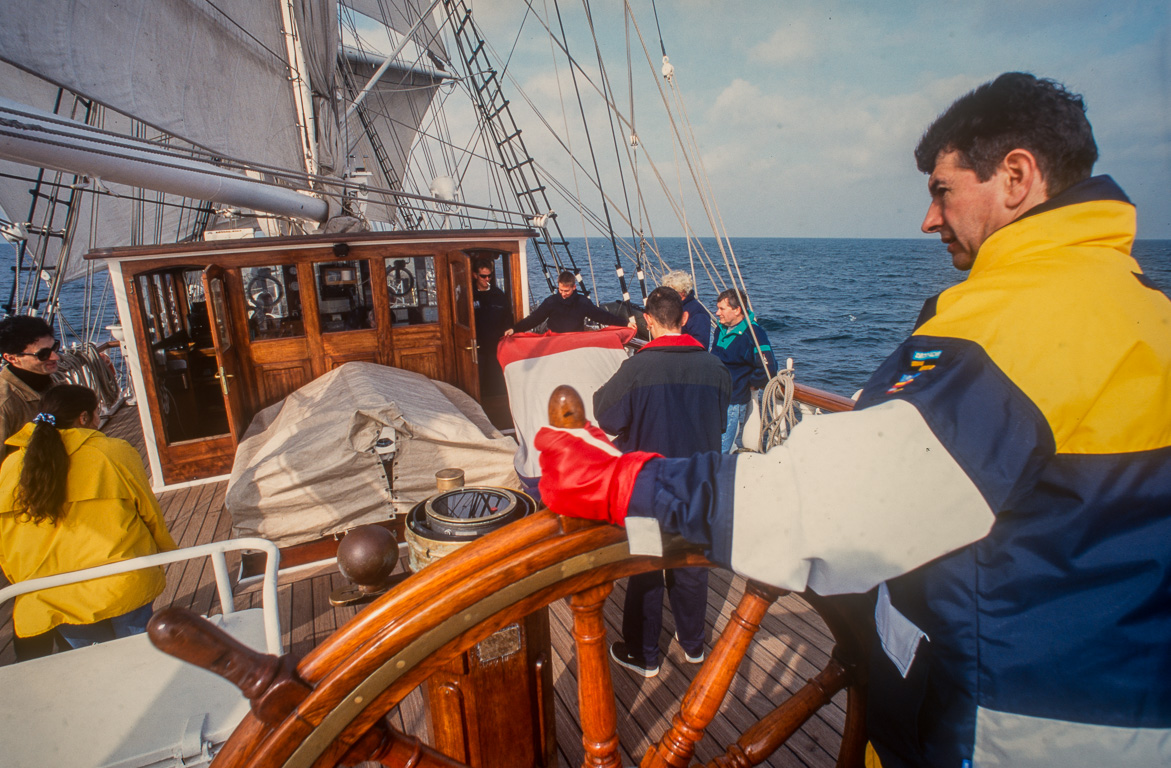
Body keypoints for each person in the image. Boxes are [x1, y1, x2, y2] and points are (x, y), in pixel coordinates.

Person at [535, 72, 1171, 768]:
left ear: (1015, 176)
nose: (927, 220)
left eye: (941, 191)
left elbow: (838, 504)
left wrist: (620, 485)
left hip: (1007, 730)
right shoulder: (1143, 311)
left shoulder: (1029, 322)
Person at [593, 287, 730, 677]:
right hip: (698, 486)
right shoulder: (715, 368)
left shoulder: (637, 368)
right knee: (691, 568)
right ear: (684, 319)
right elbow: (718, 424)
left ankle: (643, 652)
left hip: (649, 489)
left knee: (647, 569)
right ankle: (693, 646)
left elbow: (606, 418)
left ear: (647, 321)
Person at [0, 384, 177, 649]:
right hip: (121, 579)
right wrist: (166, 553)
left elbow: (6, 535)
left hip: (53, 592)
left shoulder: (12, 465)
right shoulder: (113, 452)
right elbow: (149, 513)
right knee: (142, 655)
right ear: (84, 418)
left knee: (95, 666)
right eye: (97, 412)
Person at [712, 289, 776, 453]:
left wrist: (752, 383)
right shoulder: (721, 329)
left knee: (721, 448)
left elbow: (768, 367)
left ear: (737, 310)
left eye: (722, 308)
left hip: (732, 399)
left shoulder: (754, 334)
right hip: (714, 395)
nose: (717, 312)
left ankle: (717, 476)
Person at [0, 316, 60, 456]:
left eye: (55, 347)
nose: (56, 357)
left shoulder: (49, 381)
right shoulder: (4, 404)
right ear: (12, 358)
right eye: (43, 354)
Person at [505, 271, 635, 335]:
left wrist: (626, 323)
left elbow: (602, 316)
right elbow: (534, 319)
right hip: (555, 343)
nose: (562, 293)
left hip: (575, 343)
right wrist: (515, 329)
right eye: (560, 290)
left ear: (574, 288)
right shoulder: (551, 302)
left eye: (566, 291)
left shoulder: (582, 302)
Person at [471, 258, 513, 396]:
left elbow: (507, 316)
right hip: (476, 347)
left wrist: (509, 328)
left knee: (496, 381)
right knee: (479, 381)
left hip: (495, 346)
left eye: (489, 276)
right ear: (475, 275)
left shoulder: (498, 294)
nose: (487, 279)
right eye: (483, 276)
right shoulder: (469, 294)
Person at [660, 269, 712, 349]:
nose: (667, 295)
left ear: (683, 292)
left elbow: (700, 344)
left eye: (671, 292)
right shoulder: (671, 308)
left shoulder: (698, 313)